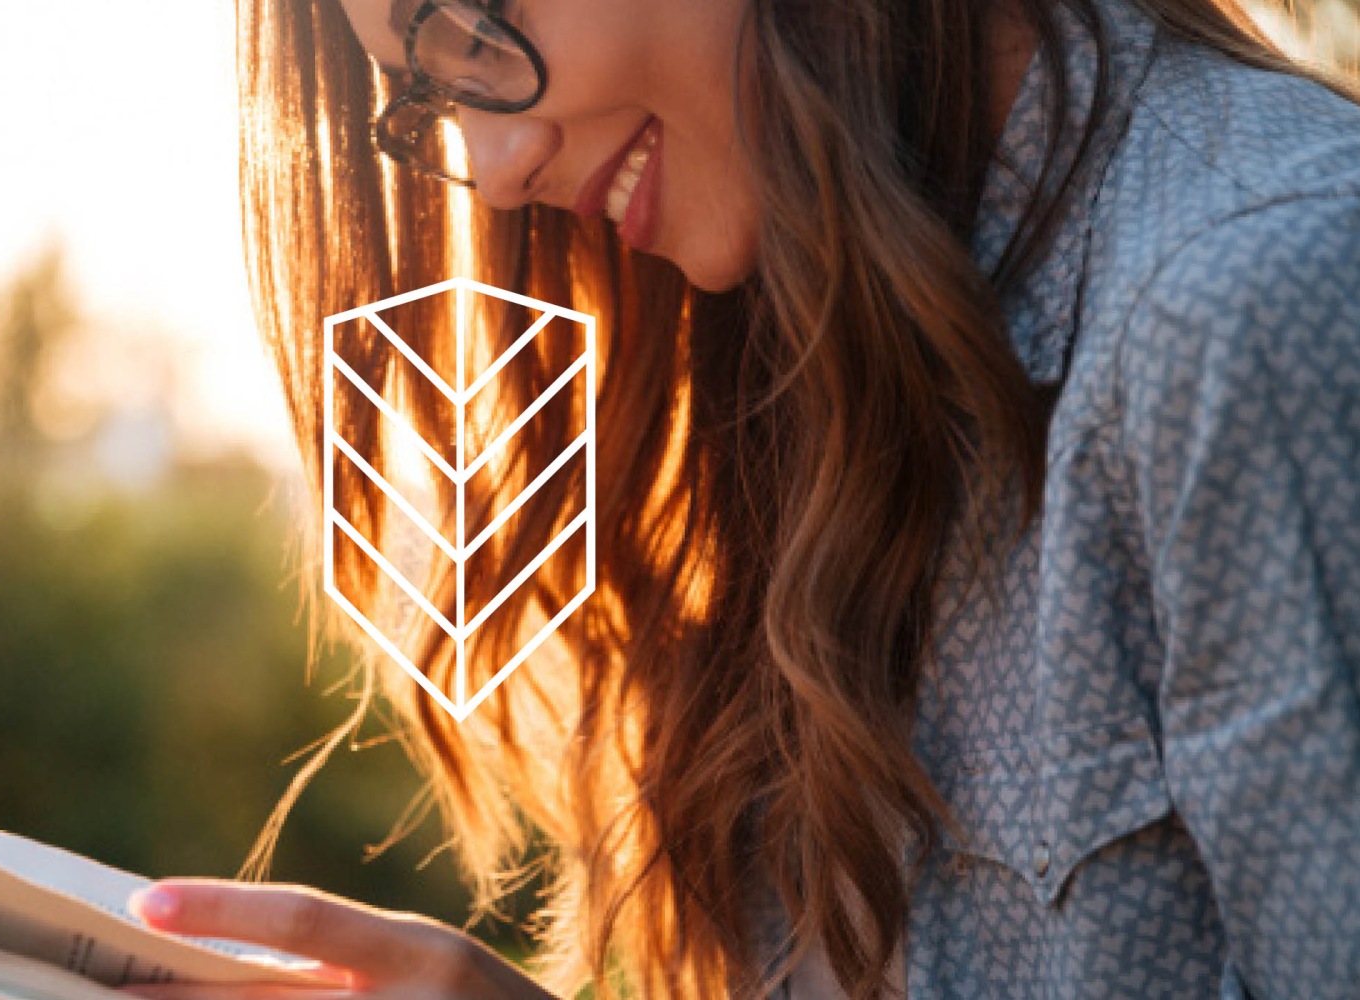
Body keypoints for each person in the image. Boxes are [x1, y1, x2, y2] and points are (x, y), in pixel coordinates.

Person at [125, 0, 1360, 995]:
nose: (494, 172)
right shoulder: (791, 387)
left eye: (472, 24)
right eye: (431, 95)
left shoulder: (1256, 308)